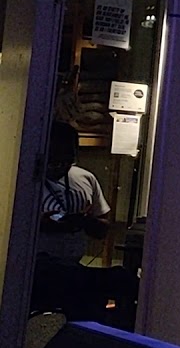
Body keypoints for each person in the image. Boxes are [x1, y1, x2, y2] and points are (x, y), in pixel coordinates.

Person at [31, 121, 116, 322]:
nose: (60, 164)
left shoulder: (85, 178)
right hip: (36, 273)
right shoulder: (27, 179)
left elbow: (103, 229)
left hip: (73, 267)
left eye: (67, 158)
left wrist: (85, 222)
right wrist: (42, 225)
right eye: (54, 158)